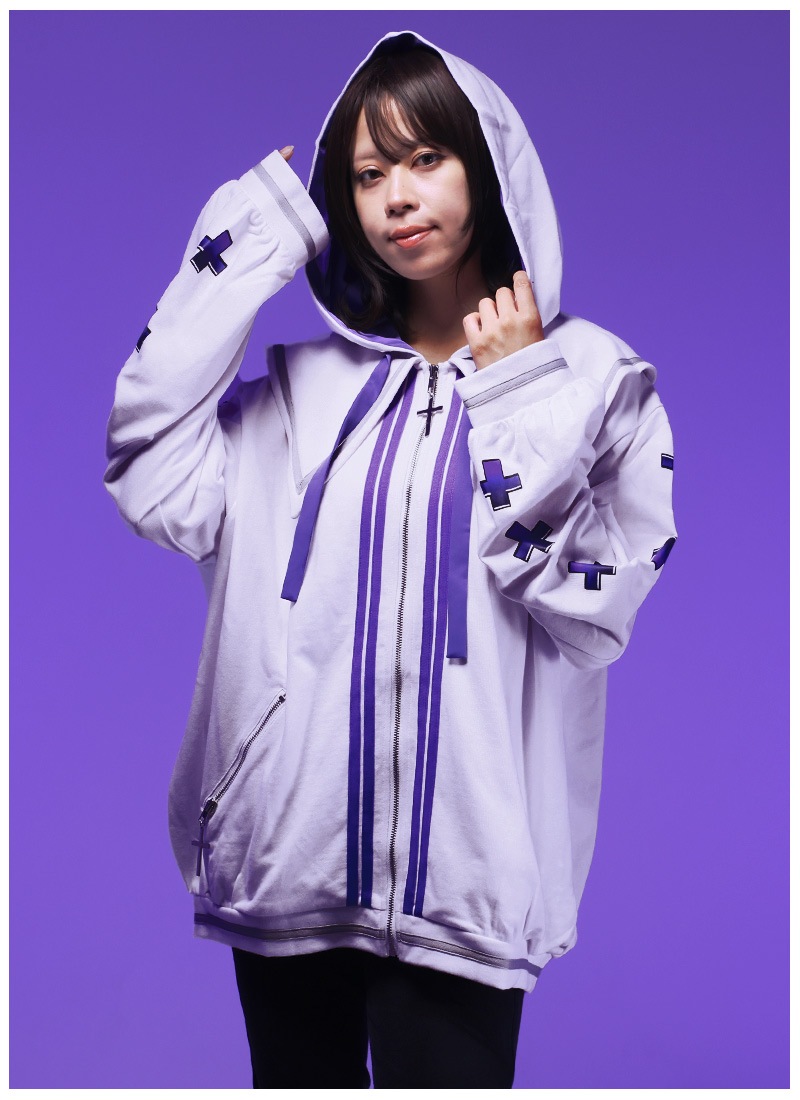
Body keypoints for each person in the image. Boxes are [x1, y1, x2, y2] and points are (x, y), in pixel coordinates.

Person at [103, 29, 678, 1089]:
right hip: (287, 858)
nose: (397, 197)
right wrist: (248, 245)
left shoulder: (596, 383)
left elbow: (594, 609)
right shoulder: (295, 393)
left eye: (425, 159)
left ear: (486, 167)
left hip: (471, 886)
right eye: (368, 175)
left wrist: (514, 396)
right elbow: (147, 468)